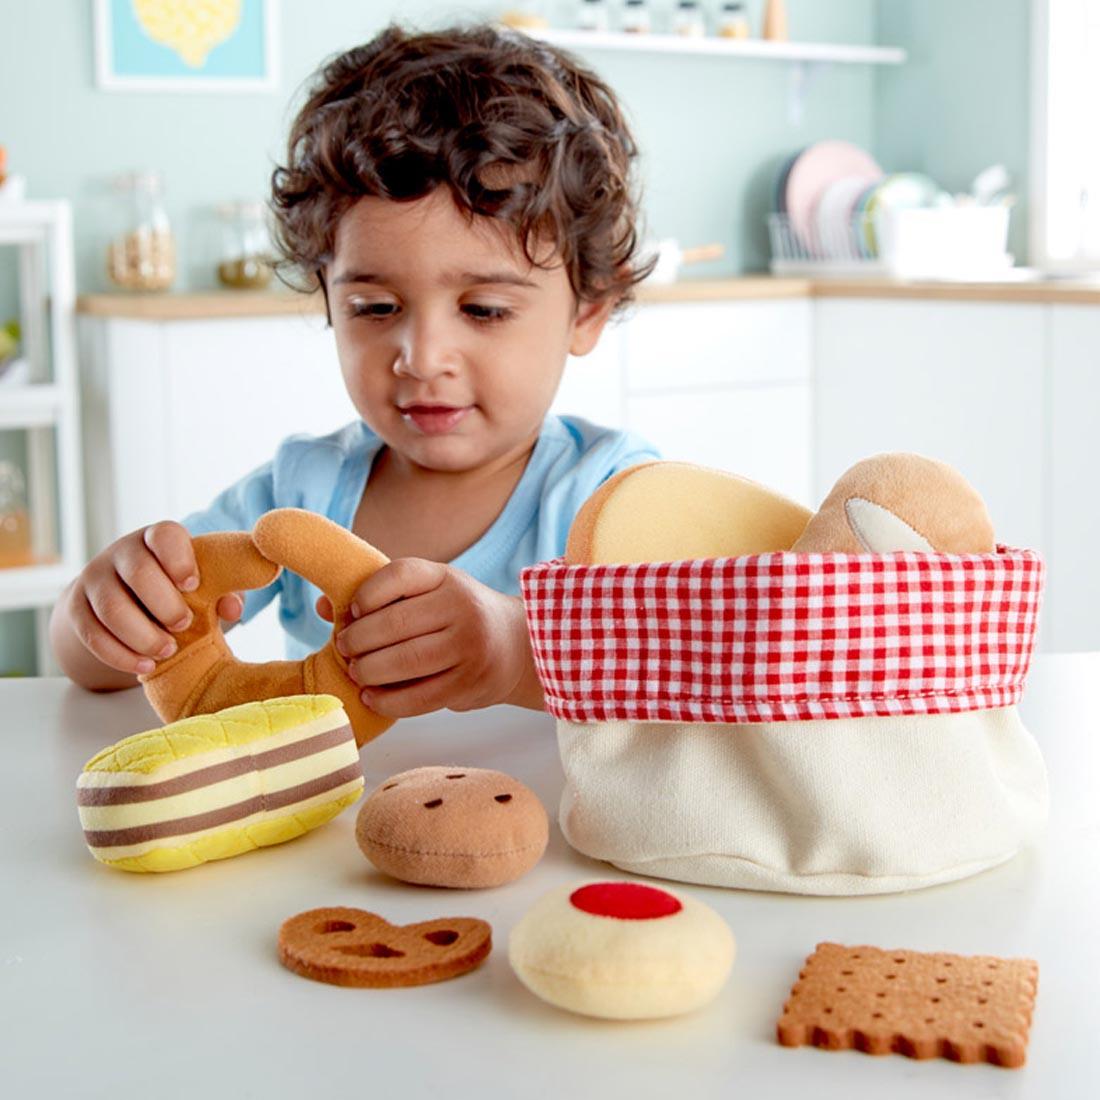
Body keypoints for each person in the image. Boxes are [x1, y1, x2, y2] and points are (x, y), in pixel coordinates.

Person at [50, 23, 659, 716]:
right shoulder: (301, 490)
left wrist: (518, 653)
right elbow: (98, 669)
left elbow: (688, 670)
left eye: (484, 309)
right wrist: (100, 612)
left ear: (588, 313)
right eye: (374, 306)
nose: (422, 358)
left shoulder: (613, 496)